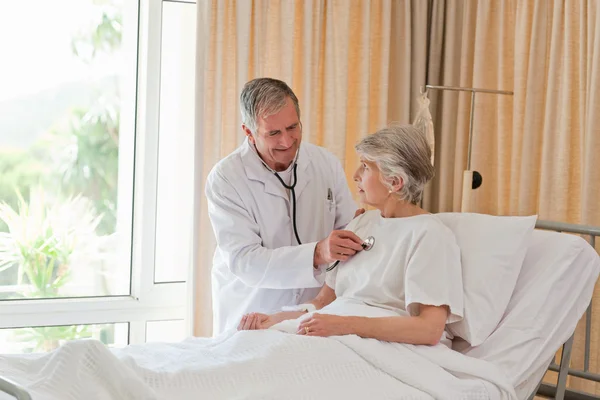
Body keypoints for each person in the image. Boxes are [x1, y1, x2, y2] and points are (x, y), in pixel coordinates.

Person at [238, 123, 464, 348]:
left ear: (394, 182)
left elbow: (429, 330)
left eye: (365, 167)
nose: (355, 175)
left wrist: (343, 325)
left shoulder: (429, 234)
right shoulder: (360, 224)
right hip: (337, 336)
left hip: (384, 346)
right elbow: (322, 303)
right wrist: (274, 320)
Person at [206, 78, 364, 335]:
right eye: (273, 133)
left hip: (312, 316)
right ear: (249, 132)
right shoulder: (227, 178)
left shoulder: (325, 163)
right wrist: (318, 253)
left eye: (293, 127)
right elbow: (245, 261)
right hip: (254, 309)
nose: (287, 141)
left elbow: (347, 228)